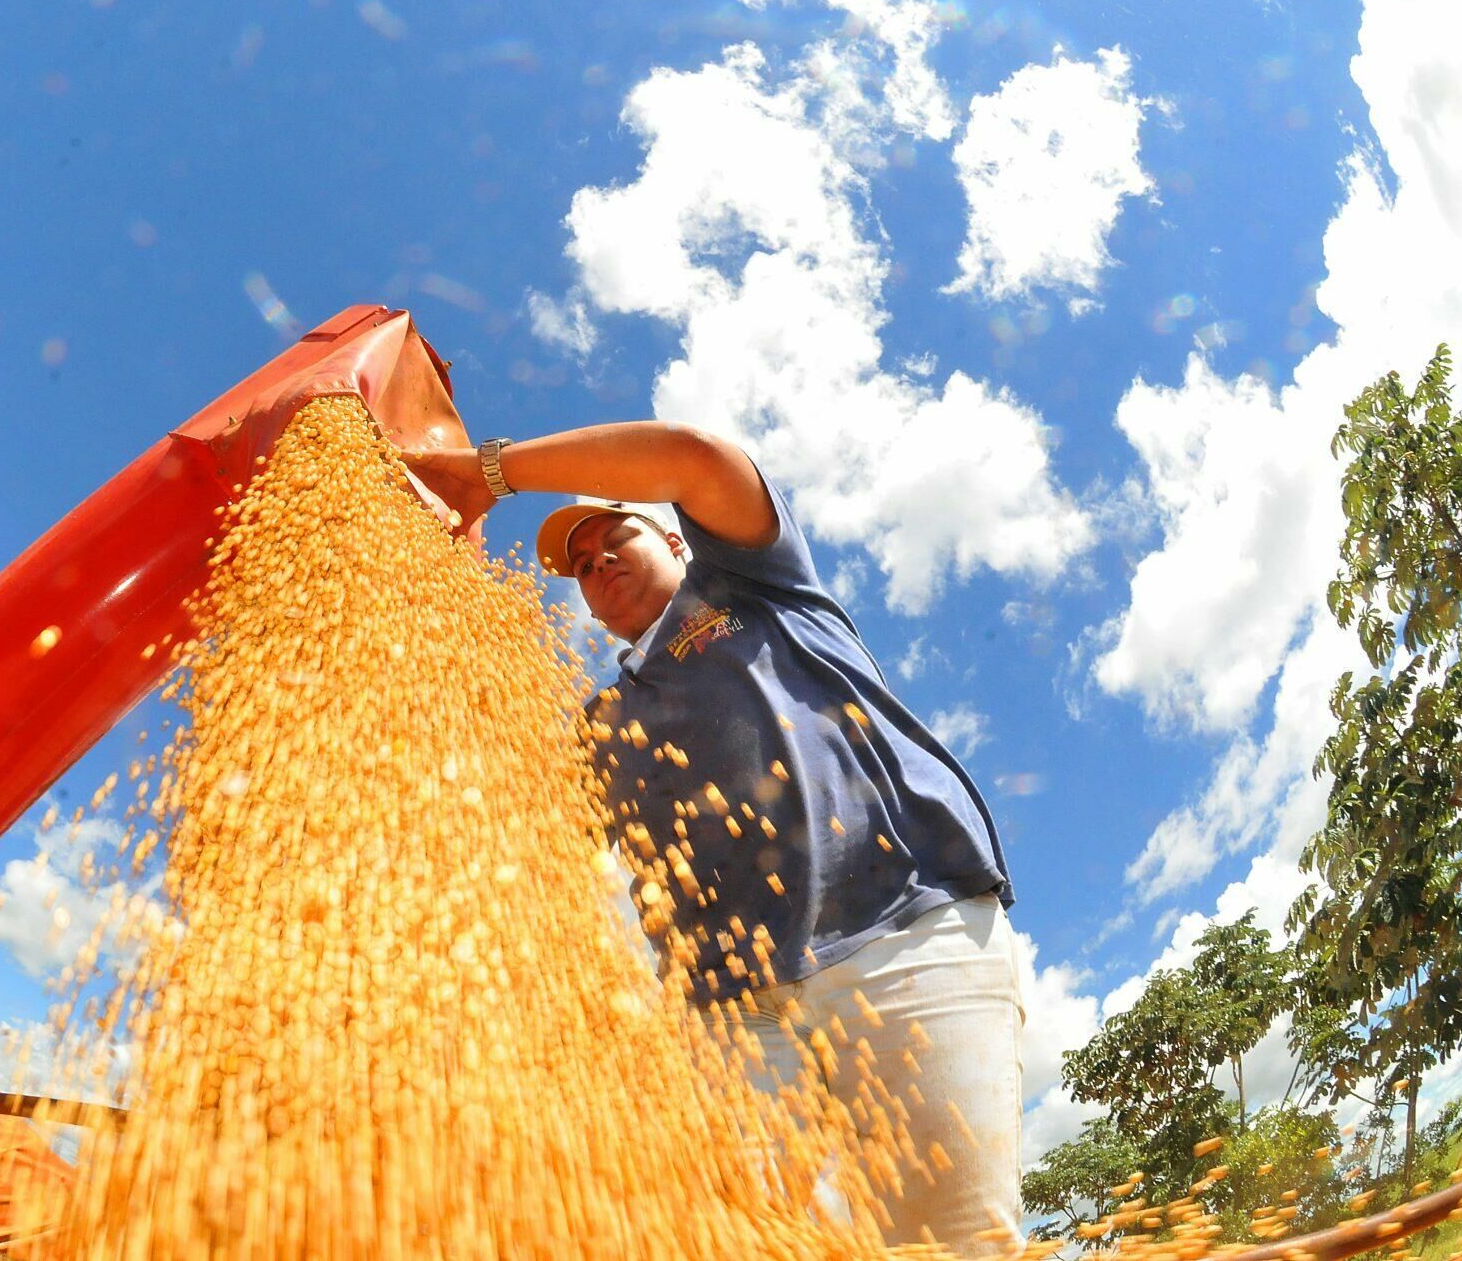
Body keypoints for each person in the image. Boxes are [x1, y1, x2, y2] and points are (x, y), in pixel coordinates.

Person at [406, 421, 1024, 1254]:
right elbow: (509, 837)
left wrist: (491, 474)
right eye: (581, 568)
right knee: (744, 1242)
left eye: (610, 538)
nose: (597, 565)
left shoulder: (754, 585)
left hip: (897, 926)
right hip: (725, 1011)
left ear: (670, 534)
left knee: (956, 1243)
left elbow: (694, 462)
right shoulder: (602, 725)